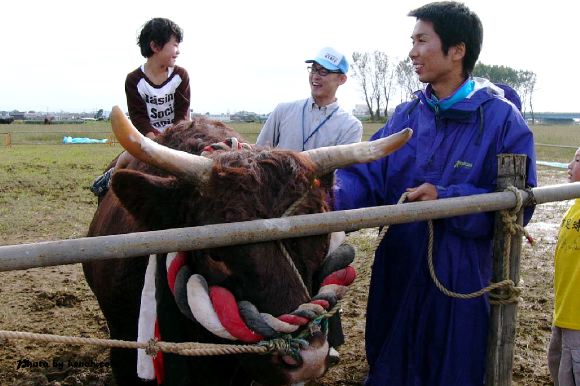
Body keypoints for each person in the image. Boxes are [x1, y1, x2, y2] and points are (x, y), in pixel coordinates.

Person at [334, 2, 537, 385]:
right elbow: (369, 175)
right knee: (389, 362)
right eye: (412, 41)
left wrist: (446, 200)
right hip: (399, 261)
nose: (412, 52)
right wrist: (328, 194)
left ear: (457, 50)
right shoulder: (407, 114)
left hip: (460, 276)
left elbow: (518, 206)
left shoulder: (501, 119)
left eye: (422, 40)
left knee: (451, 368)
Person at [91, 17, 190, 196]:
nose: (178, 51)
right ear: (155, 47)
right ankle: (111, 177)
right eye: (174, 45)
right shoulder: (134, 80)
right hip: (148, 138)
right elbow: (139, 117)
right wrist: (153, 140)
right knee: (128, 156)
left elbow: (182, 114)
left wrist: (172, 137)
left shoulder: (180, 76)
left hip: (179, 135)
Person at [256, 47, 363, 150]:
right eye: (313, 69)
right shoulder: (283, 111)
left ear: (342, 79)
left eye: (323, 72)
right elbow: (258, 153)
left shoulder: (350, 126)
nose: (315, 76)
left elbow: (344, 168)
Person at [547, 146, 580, 386]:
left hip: (578, 321)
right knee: (558, 370)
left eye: (577, 160)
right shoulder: (574, 204)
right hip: (563, 313)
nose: (569, 165)